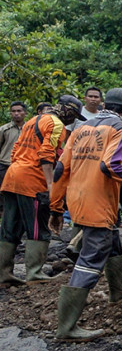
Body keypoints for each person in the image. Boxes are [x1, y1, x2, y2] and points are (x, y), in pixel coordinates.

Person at [48, 88, 122, 340]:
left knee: (113, 242)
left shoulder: (81, 129)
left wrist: (56, 208)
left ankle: (117, 291)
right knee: (90, 261)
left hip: (77, 200)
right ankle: (67, 327)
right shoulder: (121, 128)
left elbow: (61, 169)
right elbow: (110, 165)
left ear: (104, 104)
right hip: (98, 203)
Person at [0, 96, 84, 286]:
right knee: (38, 227)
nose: (73, 120)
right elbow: (47, 155)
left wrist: (18, 168)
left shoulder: (32, 121)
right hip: (32, 179)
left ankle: (3, 274)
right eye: (73, 115)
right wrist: (49, 185)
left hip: (13, 176)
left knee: (10, 226)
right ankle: (35, 272)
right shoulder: (56, 125)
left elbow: (15, 150)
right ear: (67, 111)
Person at [0, 101, 28, 218]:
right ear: (10, 113)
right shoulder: (4, 129)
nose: (16, 114)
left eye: (19, 111)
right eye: (14, 111)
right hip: (5, 165)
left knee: (21, 194)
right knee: (3, 194)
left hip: (23, 166)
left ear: (25, 113)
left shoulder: (29, 129)